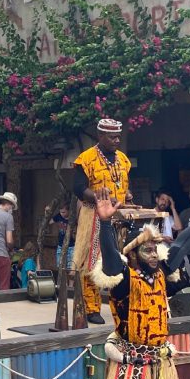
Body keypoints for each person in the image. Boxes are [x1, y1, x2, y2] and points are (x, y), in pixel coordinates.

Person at [89, 182, 190, 379]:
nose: (154, 254)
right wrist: (105, 223)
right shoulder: (123, 280)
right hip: (132, 363)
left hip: (160, 360)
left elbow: (183, 242)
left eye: (155, 249)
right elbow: (110, 260)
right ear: (134, 254)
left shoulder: (162, 274)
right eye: (147, 250)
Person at [72, 118, 133, 325]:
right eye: (112, 136)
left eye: (118, 136)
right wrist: (100, 198)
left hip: (120, 217)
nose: (117, 140)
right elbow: (79, 189)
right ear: (100, 136)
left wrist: (128, 197)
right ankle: (91, 308)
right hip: (94, 216)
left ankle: (121, 304)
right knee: (92, 263)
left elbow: (124, 185)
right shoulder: (85, 159)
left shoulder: (124, 159)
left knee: (120, 262)